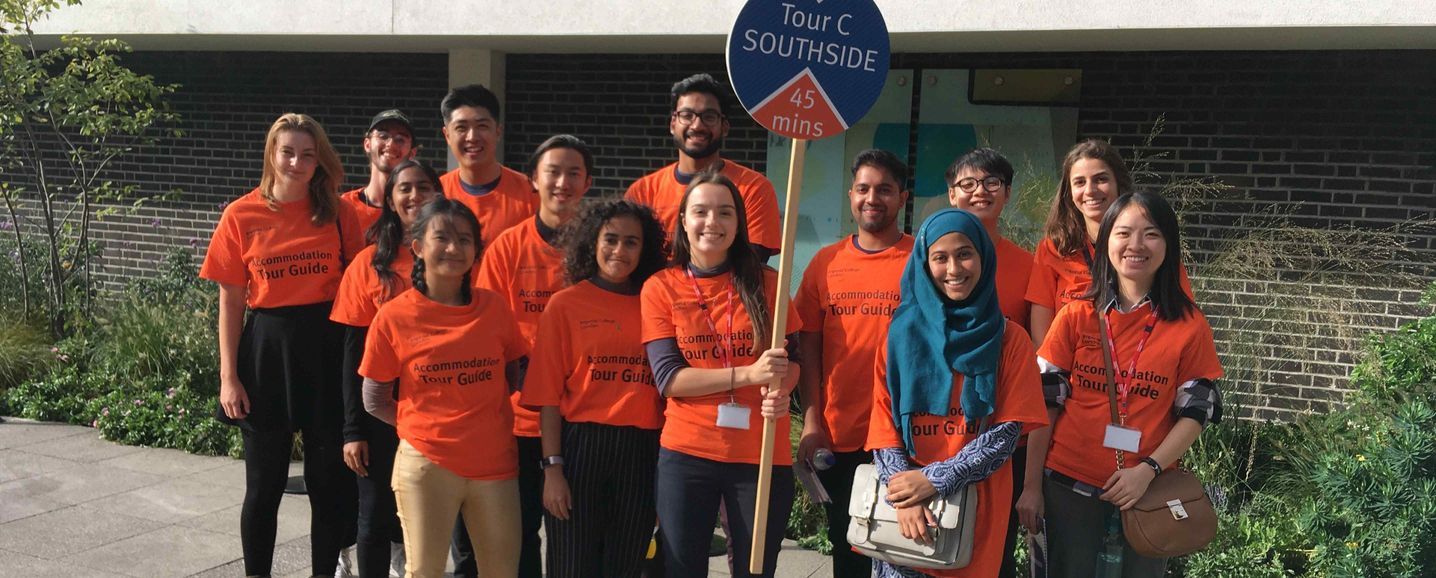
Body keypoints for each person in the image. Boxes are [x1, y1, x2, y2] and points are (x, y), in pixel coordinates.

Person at [1020, 192, 1222, 578]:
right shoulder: (1076, 315)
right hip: (1068, 483)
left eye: (1151, 234)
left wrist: (1146, 469)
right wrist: (1031, 487)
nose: (1135, 245)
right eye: (1123, 233)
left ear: (1169, 244)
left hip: (1150, 488)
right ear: (1106, 242)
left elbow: (1197, 412)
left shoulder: (1189, 325)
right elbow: (1044, 405)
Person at [202, 112, 363, 578]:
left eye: (308, 154)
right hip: (266, 352)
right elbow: (230, 303)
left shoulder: (339, 213)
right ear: (272, 154)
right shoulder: (242, 214)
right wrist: (228, 378)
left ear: (320, 161)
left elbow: (358, 286)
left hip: (327, 349)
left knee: (328, 485)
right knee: (264, 487)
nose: (297, 162)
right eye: (287, 151)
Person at [866, 208, 1049, 578]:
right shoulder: (897, 336)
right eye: (940, 257)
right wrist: (906, 497)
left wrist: (932, 480)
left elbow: (1006, 435)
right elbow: (884, 427)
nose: (954, 269)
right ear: (923, 262)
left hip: (975, 509)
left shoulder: (1011, 340)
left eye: (965, 253)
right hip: (904, 514)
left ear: (984, 256)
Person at [640, 172, 802, 578]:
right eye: (701, 212)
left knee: (755, 569)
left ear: (739, 223)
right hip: (687, 452)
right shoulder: (661, 286)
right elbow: (669, 379)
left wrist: (783, 389)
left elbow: (793, 362)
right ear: (682, 221)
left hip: (761, 452)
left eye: (724, 212)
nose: (712, 221)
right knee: (681, 567)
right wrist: (748, 375)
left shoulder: (769, 283)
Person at [361, 198, 528, 578]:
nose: (454, 248)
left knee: (502, 571)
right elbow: (373, 399)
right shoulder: (394, 316)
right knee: (424, 572)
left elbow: (512, 377)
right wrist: (419, 428)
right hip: (426, 465)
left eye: (465, 239)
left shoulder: (495, 308)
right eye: (443, 238)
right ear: (418, 247)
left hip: (495, 464)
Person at [520, 199, 670, 578]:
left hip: (641, 450)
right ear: (593, 242)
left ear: (645, 248)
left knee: (625, 565)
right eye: (611, 239)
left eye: (631, 242)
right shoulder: (565, 305)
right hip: (580, 449)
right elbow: (548, 398)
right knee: (571, 566)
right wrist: (552, 470)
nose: (619, 250)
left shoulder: (658, 303)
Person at [469, 133, 593, 578]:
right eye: (552, 172)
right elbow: (486, 330)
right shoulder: (507, 247)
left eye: (573, 173)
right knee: (519, 535)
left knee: (573, 531)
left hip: (584, 416)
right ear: (534, 181)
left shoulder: (602, 248)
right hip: (520, 418)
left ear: (587, 181)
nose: (563, 182)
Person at [793, 149, 913, 578]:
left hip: (905, 434)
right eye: (863, 188)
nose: (872, 197)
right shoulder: (826, 264)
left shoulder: (923, 261)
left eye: (884, 189)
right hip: (841, 434)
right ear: (850, 195)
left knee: (904, 549)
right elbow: (808, 350)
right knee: (849, 547)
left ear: (902, 197)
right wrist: (811, 420)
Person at [330, 159, 444, 578]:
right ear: (391, 200)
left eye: (424, 187)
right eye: (405, 189)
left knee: (432, 520)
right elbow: (351, 355)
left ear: (439, 193)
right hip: (380, 414)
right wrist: (352, 430)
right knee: (374, 516)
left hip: (440, 410)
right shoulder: (367, 264)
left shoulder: (456, 258)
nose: (414, 196)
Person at [943, 147, 1032, 578]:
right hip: (936, 429)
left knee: (991, 549)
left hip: (998, 433)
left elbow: (1034, 352)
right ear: (951, 194)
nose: (980, 191)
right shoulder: (928, 261)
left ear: (1007, 193)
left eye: (991, 182)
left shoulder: (1028, 266)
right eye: (968, 183)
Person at [1024, 139, 1190, 347]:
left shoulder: (1148, 249)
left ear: (1119, 184)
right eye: (1079, 182)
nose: (1090, 190)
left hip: (1138, 371)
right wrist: (1053, 375)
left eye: (1100, 179)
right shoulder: (1054, 247)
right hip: (1070, 373)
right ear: (1069, 191)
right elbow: (1042, 332)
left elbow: (1180, 317)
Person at [625, 73, 780, 259]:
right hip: (656, 289)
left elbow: (750, 264)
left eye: (709, 116)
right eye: (687, 115)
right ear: (673, 123)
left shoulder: (754, 188)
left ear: (725, 127)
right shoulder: (643, 192)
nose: (697, 125)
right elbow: (631, 260)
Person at [438, 84, 536, 248]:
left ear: (498, 131)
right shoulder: (435, 192)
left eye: (482, 126)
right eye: (461, 128)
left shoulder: (530, 192)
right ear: (447, 135)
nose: (472, 137)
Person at [341, 109, 417, 243]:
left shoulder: (418, 209)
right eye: (383, 135)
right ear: (367, 144)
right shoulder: (344, 208)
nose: (391, 144)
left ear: (412, 153)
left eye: (400, 139)